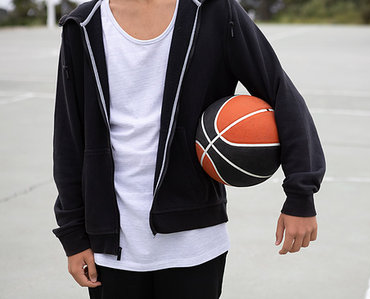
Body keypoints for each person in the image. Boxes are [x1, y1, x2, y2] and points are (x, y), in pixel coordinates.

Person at [51, 0, 326, 298]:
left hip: (196, 241)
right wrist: (73, 233)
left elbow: (279, 90)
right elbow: (68, 137)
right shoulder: (82, 25)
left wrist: (301, 193)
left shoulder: (215, 11)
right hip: (111, 245)